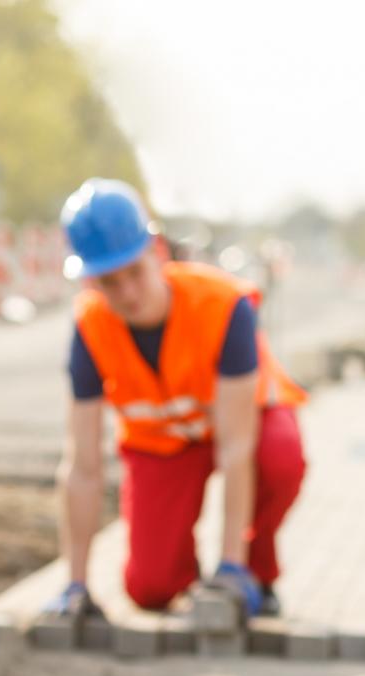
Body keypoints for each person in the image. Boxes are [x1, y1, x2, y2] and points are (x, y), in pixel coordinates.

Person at [48, 179, 308, 621]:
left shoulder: (222, 306)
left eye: (134, 272)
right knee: (150, 589)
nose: (127, 293)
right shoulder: (91, 329)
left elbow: (236, 448)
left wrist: (231, 565)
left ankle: (254, 572)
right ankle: (185, 576)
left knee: (279, 458)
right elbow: (83, 466)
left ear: (157, 251)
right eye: (110, 282)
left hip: (243, 430)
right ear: (90, 279)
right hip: (163, 446)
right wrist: (75, 584)